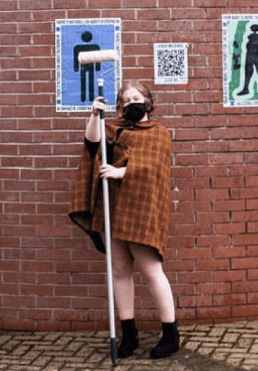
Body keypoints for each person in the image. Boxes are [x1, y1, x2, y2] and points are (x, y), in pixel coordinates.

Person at [69, 82, 180, 359]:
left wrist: (122, 173)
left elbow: (155, 168)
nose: (131, 103)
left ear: (148, 102)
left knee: (151, 271)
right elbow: (91, 144)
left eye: (136, 98)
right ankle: (129, 334)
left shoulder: (160, 133)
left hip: (141, 209)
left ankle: (170, 333)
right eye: (126, 100)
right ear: (119, 107)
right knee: (119, 271)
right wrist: (95, 115)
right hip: (114, 207)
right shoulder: (113, 128)